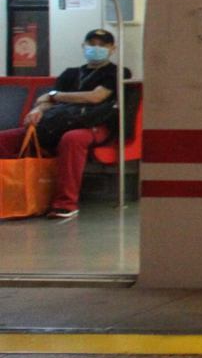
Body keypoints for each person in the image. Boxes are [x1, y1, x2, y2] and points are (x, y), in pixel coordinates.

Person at [0, 29, 124, 220]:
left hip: (95, 124)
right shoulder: (70, 74)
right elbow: (45, 101)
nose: (96, 48)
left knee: (72, 139)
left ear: (112, 49)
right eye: (92, 44)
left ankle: (65, 203)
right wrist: (38, 110)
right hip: (59, 122)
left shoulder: (116, 72)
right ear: (84, 46)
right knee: (5, 140)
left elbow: (96, 97)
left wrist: (55, 96)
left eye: (102, 45)